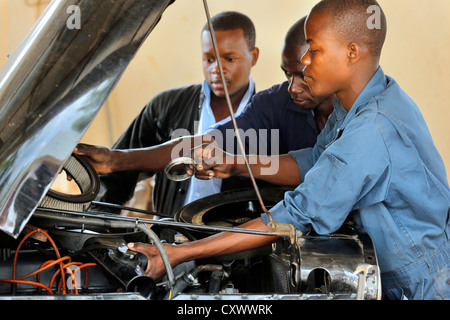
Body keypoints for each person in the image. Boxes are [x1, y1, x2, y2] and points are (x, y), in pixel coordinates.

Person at [125, 0, 450, 300]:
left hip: (422, 284)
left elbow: (296, 214)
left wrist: (179, 253)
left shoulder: (371, 128)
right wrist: (237, 164)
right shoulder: (363, 100)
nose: (305, 60)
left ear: (352, 53)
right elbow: (313, 160)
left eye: (315, 50)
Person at [75, 16, 334, 212]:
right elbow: (206, 143)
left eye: (302, 75)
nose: (293, 87)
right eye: (287, 74)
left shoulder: (366, 115)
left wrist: (236, 165)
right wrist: (114, 159)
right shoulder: (273, 103)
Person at [89, 11, 260, 215]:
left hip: (234, 245)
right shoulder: (165, 106)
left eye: (229, 59)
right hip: (166, 242)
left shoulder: (269, 119)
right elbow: (115, 174)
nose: (217, 68)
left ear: (254, 56)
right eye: (209, 59)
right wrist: (100, 227)